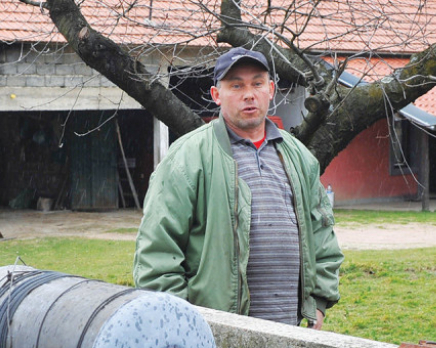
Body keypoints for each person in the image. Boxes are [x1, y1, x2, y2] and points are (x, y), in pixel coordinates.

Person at [133, 47, 343, 328]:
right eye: (236, 85)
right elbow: (156, 255)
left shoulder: (298, 156)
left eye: (257, 83)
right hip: (216, 336)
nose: (249, 94)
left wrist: (317, 304)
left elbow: (323, 236)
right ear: (216, 95)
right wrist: (185, 324)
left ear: (270, 89)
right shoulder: (187, 157)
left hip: (291, 331)